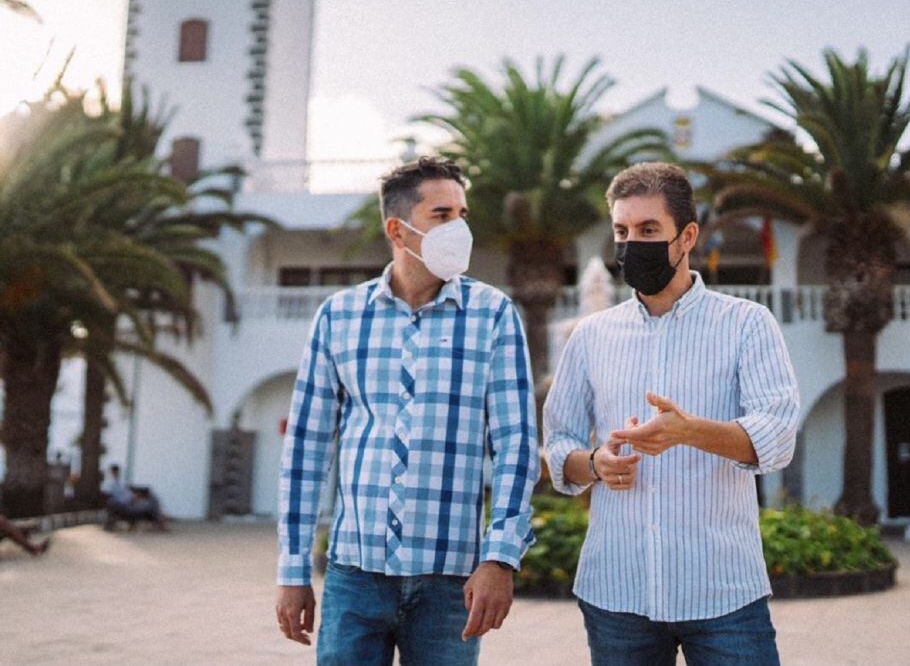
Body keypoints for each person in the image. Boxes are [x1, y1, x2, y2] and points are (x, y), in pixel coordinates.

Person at [276, 157, 539, 665]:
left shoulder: (494, 315)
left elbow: (516, 446)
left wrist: (500, 558)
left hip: (450, 581)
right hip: (355, 574)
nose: (458, 227)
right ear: (398, 229)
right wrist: (292, 571)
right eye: (442, 215)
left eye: (462, 214)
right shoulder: (338, 317)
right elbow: (306, 450)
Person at [544, 162, 800, 666]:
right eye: (621, 231)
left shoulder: (747, 324)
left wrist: (689, 432)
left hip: (724, 592)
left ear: (687, 237)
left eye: (647, 230)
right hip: (617, 592)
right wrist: (595, 463)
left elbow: (778, 435)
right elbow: (557, 446)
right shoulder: (591, 337)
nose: (630, 244)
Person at [103, 464, 167, 531]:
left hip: (131, 501)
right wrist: (131, 498)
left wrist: (135, 495)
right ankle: (160, 522)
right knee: (152, 503)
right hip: (126, 505)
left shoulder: (121, 482)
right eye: (115, 472)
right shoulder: (109, 484)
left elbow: (128, 490)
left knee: (152, 499)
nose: (117, 473)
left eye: (118, 471)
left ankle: (159, 521)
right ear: (111, 472)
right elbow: (112, 497)